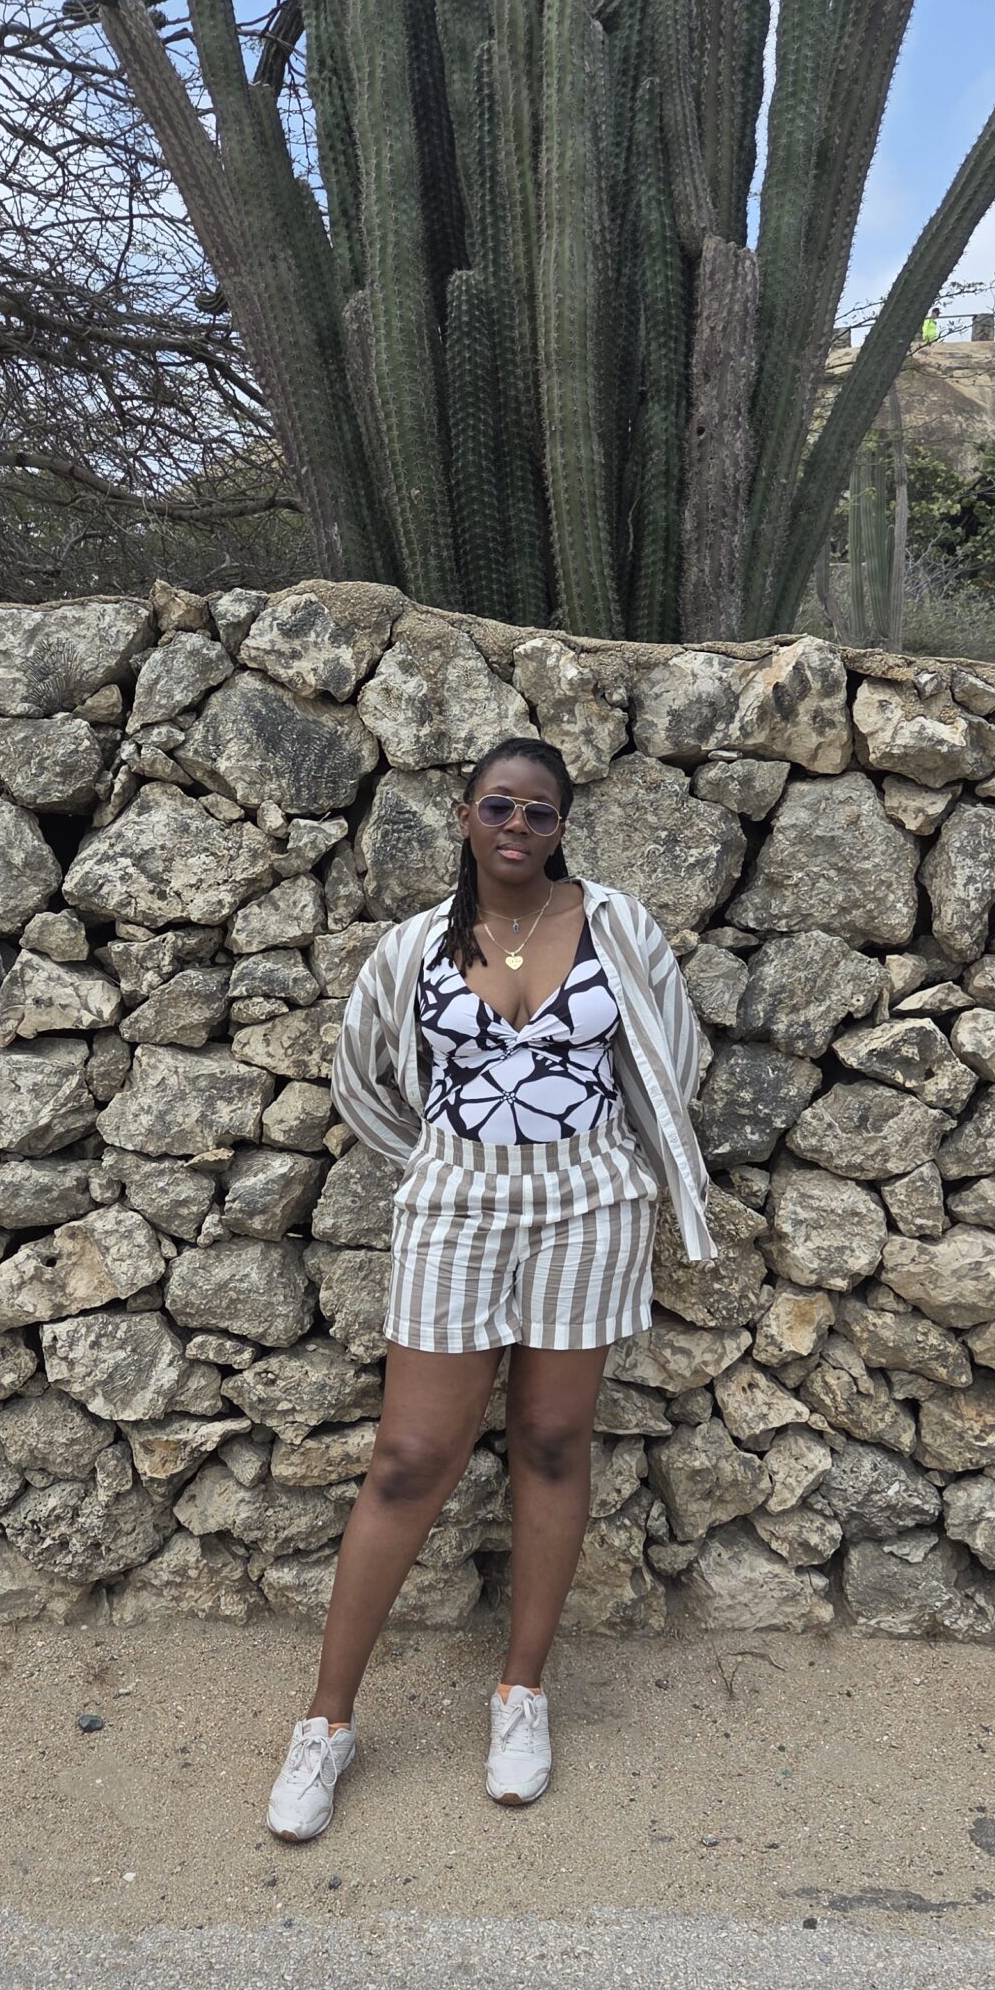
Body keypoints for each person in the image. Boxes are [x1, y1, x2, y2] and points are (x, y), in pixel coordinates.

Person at [264, 736, 717, 1841]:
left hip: (587, 1201)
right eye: (500, 807)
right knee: (411, 1457)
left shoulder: (618, 928)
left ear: (563, 827)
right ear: (464, 814)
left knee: (554, 1444)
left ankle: (522, 1694)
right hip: (459, 1199)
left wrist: (624, 1161)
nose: (519, 828)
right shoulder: (415, 946)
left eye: (541, 814)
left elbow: (677, 1053)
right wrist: (434, 1158)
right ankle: (328, 1722)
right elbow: (359, 1074)